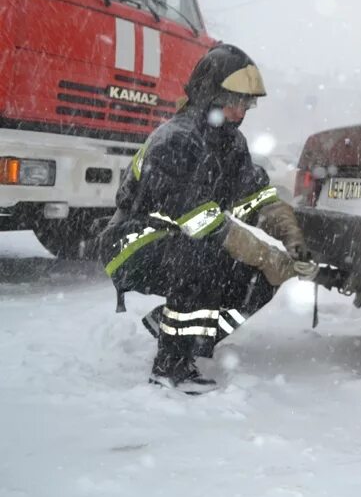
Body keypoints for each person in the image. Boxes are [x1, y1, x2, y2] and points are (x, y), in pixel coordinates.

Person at [99, 44, 346, 394]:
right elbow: (200, 221)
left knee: (257, 278)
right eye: (234, 100)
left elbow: (255, 199)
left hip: (181, 241)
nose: (241, 110)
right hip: (131, 242)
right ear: (209, 94)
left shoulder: (230, 144)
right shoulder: (175, 140)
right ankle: (170, 367)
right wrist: (266, 254)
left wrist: (290, 239)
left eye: (247, 103)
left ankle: (182, 333)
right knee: (201, 258)